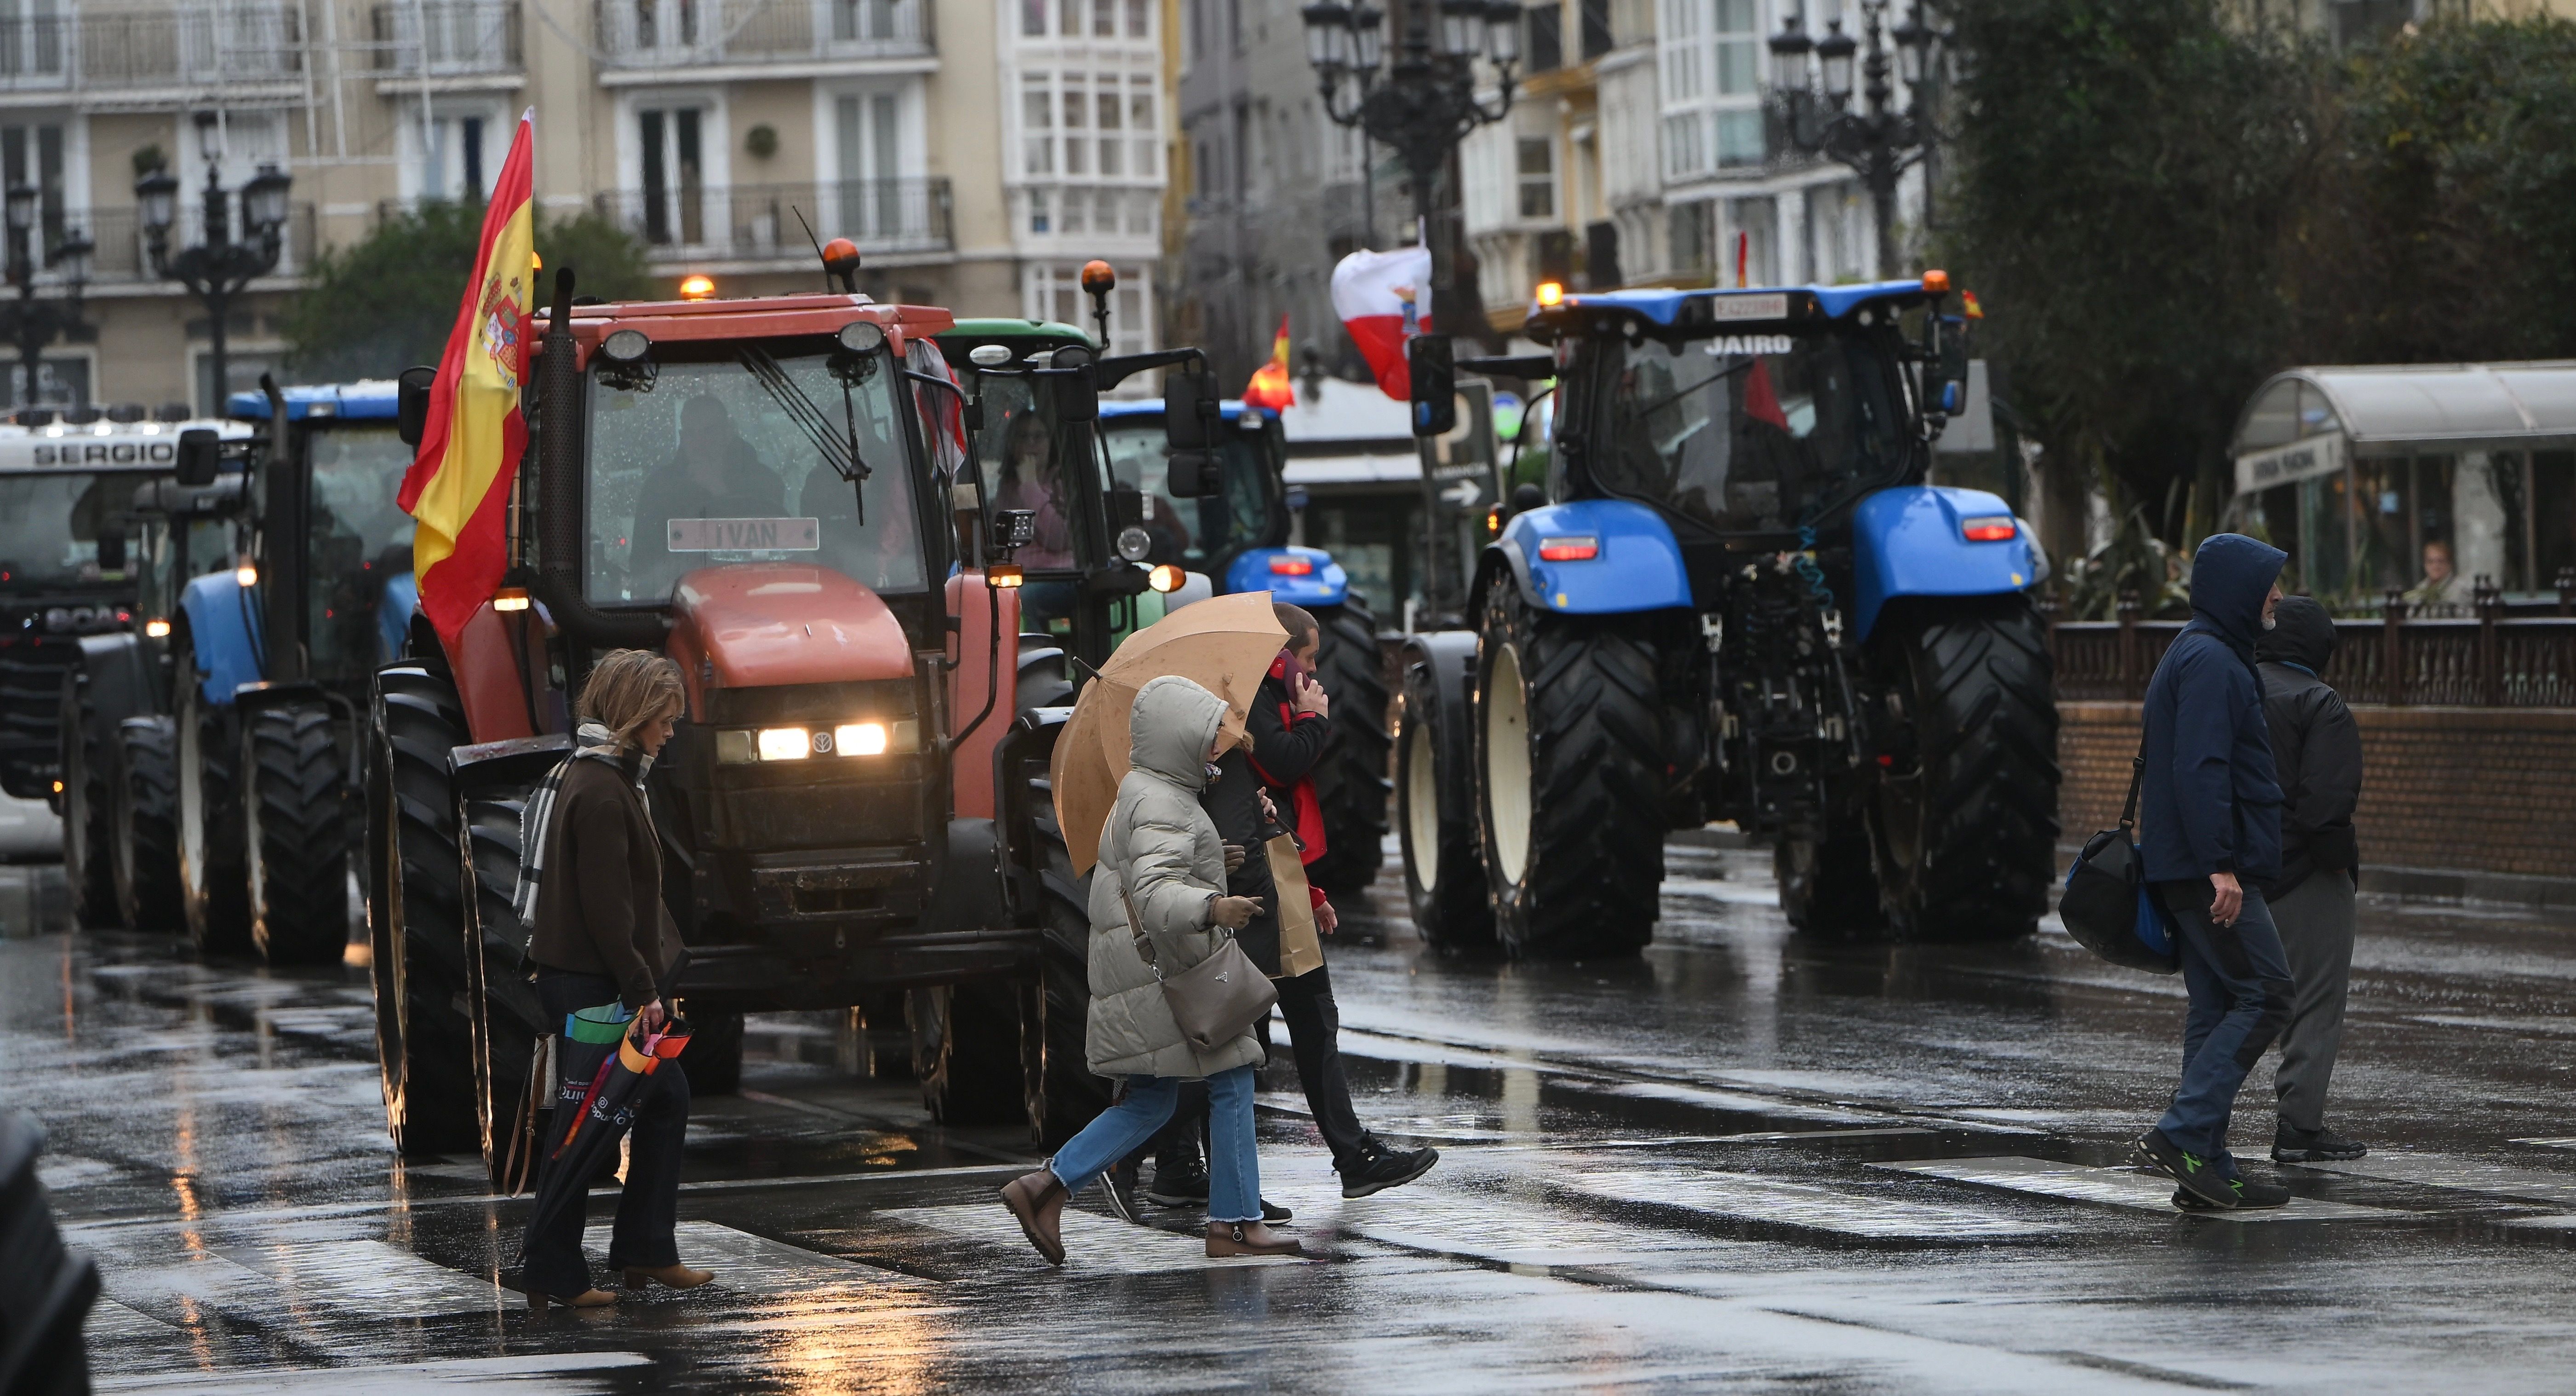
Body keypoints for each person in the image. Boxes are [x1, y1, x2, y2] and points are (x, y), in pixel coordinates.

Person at [997, 675, 1303, 1262]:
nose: (1217, 746)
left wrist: (1215, 858)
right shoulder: (1163, 801)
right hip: (1170, 974)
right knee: (1234, 1078)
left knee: (1151, 1101)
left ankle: (1044, 1188)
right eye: (1209, 734)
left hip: (1142, 976)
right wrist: (1215, 905)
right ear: (1178, 736)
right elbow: (1159, 894)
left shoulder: (1149, 791)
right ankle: (1235, 1225)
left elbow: (1152, 872)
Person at [515, 650, 712, 1307]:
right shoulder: (602, 791)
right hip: (590, 983)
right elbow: (609, 913)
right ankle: (560, 1271)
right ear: (634, 717)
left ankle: (640, 1252)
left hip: (584, 979)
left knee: (650, 1103)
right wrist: (644, 995)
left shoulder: (597, 776)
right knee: (584, 1128)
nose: (671, 731)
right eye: (664, 719)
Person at [2132, 533, 2297, 1212]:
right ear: (2236, 589)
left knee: (2216, 1005)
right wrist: (2220, 868)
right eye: (2268, 584)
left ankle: (2207, 1166)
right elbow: (2201, 770)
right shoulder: (2211, 662)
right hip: (2208, 872)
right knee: (2267, 993)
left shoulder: (2201, 652)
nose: (2278, 596)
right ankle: (2180, 1134)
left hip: (2188, 866)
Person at [2254, 596, 2368, 1164]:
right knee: (2314, 1000)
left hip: (2234, 873)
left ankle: (2194, 1120)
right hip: (2303, 872)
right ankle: (2298, 1127)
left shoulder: (2236, 688)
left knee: (2237, 1000)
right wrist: (2343, 865)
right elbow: (2325, 808)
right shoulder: (2318, 702)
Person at [632, 394, 784, 580]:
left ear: (728, 431)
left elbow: (777, 547)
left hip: (752, 589)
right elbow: (642, 564)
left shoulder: (764, 481)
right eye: (691, 433)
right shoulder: (659, 488)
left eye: (709, 431)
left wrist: (719, 490)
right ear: (682, 436)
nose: (700, 442)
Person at [991, 410, 1076, 570]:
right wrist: (1028, 485)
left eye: (1038, 437)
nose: (1031, 443)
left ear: (1051, 442)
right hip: (1023, 576)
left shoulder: (1063, 485)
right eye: (1023, 437)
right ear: (1013, 446)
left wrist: (1031, 487)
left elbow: (1061, 538)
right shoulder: (1008, 489)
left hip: (1064, 573)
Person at [2405, 539, 2468, 610]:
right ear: (2425, 565)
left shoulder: (2462, 590)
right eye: (2431, 562)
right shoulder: (2421, 588)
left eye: (2440, 561)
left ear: (2449, 564)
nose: (2436, 566)